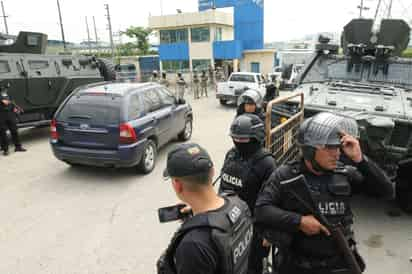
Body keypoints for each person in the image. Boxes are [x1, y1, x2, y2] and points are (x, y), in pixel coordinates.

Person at [255, 112, 394, 274]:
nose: (337, 153)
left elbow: (387, 191)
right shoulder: (286, 175)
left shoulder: (344, 174)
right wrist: (299, 221)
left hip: (338, 264)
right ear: (309, 150)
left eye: (337, 147)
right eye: (329, 147)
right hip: (297, 266)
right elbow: (261, 210)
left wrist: (360, 159)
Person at [158, 143, 254, 274]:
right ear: (212, 172)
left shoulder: (193, 245)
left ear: (177, 185)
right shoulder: (239, 204)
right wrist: (197, 218)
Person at [219, 114, 276, 274]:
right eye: (235, 139)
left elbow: (272, 201)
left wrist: (269, 233)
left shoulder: (267, 163)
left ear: (256, 138)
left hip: (254, 229)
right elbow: (223, 187)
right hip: (228, 223)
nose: (238, 143)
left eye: (243, 140)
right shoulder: (231, 155)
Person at [0, 90, 26, 156]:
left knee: (15, 132)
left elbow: (15, 110)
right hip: (2, 120)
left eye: (7, 99)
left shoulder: (11, 103)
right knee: (3, 135)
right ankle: (5, 150)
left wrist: (17, 111)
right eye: (4, 100)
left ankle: (18, 147)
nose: (6, 101)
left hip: (11, 119)